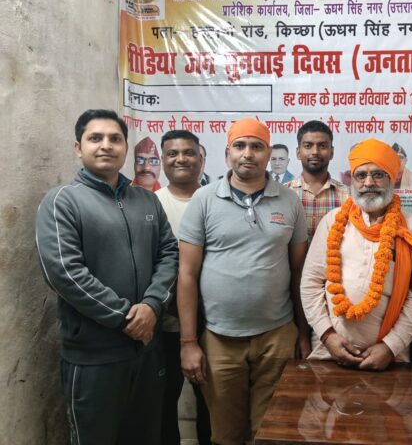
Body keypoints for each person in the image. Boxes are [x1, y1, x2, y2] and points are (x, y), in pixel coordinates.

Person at [35, 109, 178, 444]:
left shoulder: (146, 200)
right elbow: (64, 273)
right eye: (95, 138)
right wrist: (127, 317)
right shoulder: (62, 202)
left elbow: (169, 254)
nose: (106, 145)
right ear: (78, 147)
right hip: (94, 358)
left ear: (125, 147)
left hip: (147, 351)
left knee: (145, 437)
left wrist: (152, 305)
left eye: (115, 138)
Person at [177, 118, 310, 445]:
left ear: (268, 153)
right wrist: (188, 342)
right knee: (226, 435)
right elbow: (187, 275)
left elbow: (298, 273)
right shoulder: (204, 199)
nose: (247, 153)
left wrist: (303, 333)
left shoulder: (290, 201)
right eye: (240, 145)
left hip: (277, 337)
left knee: (272, 434)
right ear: (227, 154)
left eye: (256, 146)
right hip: (219, 340)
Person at [301, 138, 412, 370]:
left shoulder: (411, 227)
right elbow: (311, 283)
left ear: (392, 178)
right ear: (352, 181)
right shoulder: (332, 221)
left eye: (378, 174)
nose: (368, 183)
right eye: (361, 175)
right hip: (327, 353)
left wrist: (390, 347)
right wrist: (327, 336)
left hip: (391, 359)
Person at [155, 130, 211, 445]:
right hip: (164, 325)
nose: (181, 159)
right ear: (162, 159)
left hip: (212, 323)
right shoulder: (150, 203)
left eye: (189, 153)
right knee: (164, 403)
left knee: (212, 404)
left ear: (201, 158)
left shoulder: (216, 200)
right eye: (172, 153)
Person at [286, 120, 349, 239]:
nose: (315, 152)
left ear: (332, 152)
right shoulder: (284, 194)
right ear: (298, 152)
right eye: (308, 146)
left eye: (322, 146)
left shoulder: (348, 196)